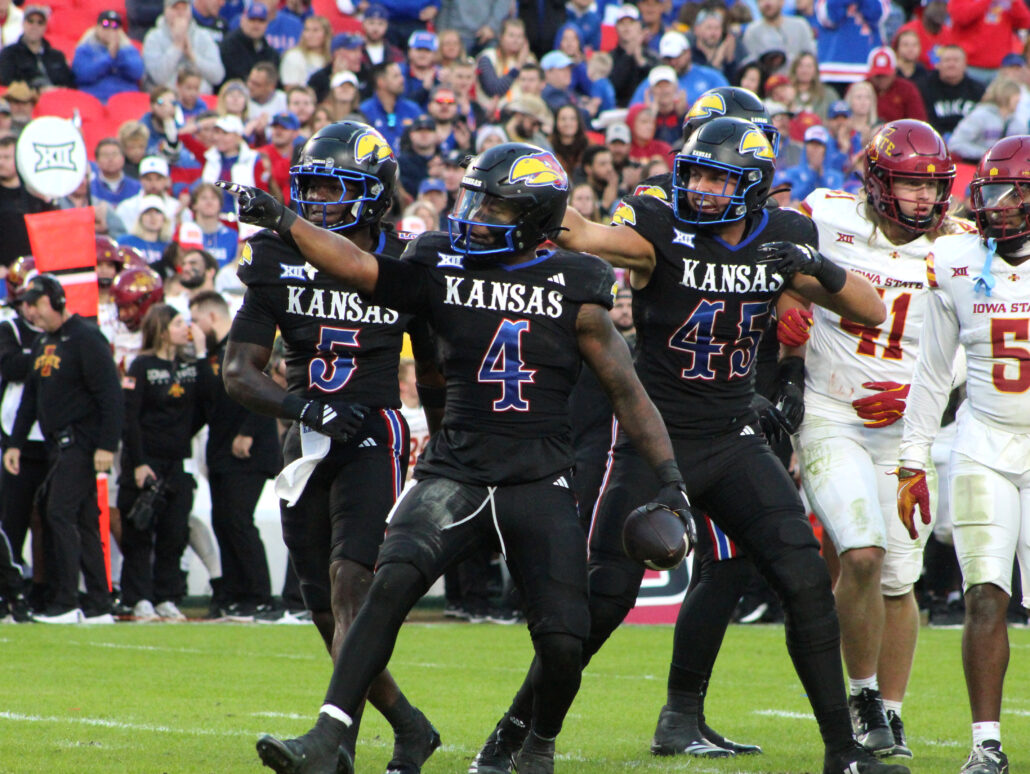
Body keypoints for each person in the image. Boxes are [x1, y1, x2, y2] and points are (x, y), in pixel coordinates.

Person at [218, 138, 691, 774]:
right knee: (380, 589)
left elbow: (628, 393)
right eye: (475, 198)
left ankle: (537, 744)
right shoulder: (440, 259)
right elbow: (360, 271)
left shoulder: (576, 282)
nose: (474, 213)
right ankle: (330, 736)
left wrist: (670, 480)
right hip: (458, 469)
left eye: (493, 205)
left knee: (561, 638)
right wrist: (283, 219)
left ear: (532, 215)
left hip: (539, 475)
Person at [468, 116, 904, 774]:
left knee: (806, 579)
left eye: (717, 177)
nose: (699, 187)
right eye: (695, 172)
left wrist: (816, 265)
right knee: (605, 597)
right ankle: (516, 735)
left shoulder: (783, 238)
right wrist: (532, 191)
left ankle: (843, 752)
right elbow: (583, 235)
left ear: (753, 185)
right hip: (653, 438)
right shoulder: (657, 229)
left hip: (732, 437)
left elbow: (870, 310)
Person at [221, 121, 442, 772]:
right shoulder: (276, 256)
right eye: (308, 187)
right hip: (305, 436)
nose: (316, 200)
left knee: (351, 589)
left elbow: (432, 372)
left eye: (331, 187)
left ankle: (331, 743)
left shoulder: (408, 261)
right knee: (321, 606)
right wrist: (303, 405)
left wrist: (449, 446)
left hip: (374, 430)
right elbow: (238, 370)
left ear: (373, 194)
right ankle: (409, 726)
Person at [796, 119, 967, 760]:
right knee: (861, 555)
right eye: (908, 183)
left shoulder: (959, 248)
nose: (923, 199)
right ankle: (862, 694)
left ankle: (888, 714)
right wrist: (789, 304)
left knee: (899, 578)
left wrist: (926, 392)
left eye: (932, 186)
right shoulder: (825, 216)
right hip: (832, 413)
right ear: (875, 177)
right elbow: (767, 257)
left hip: (909, 430)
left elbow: (966, 341)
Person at [896, 134, 1030, 774]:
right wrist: (913, 458)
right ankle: (986, 744)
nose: (999, 205)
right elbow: (930, 370)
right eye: (992, 191)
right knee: (985, 593)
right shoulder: (955, 258)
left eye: (1015, 193)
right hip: (982, 442)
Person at [4, 275, 124, 624]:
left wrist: (107, 445)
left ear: (56, 302)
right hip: (59, 445)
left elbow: (111, 395)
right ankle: (100, 604)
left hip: (82, 443)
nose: (31, 311)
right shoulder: (44, 341)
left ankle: (67, 600)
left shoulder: (86, 338)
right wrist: (15, 441)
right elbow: (31, 396)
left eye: (36, 303)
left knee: (57, 511)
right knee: (85, 521)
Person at [118, 303, 213, 621]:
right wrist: (138, 463)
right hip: (145, 462)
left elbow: (208, 402)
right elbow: (129, 419)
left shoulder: (189, 366)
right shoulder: (141, 365)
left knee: (174, 533)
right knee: (139, 532)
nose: (184, 328)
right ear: (160, 329)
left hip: (179, 462)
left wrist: (201, 356)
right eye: (177, 323)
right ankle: (138, 598)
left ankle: (167, 597)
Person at [189, 290, 280, 618]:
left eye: (196, 319)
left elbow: (262, 386)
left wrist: (247, 431)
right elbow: (204, 400)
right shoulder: (212, 354)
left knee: (239, 521)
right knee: (224, 521)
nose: (193, 327)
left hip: (248, 450)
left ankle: (261, 596)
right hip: (222, 450)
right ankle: (237, 594)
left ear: (212, 316)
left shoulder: (243, 344)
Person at [72, 10, 145, 101]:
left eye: (115, 27)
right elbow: (83, 75)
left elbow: (137, 73)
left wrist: (119, 55)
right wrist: (109, 58)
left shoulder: (128, 49)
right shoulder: (85, 48)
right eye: (105, 25)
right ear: (97, 28)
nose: (110, 30)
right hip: (95, 98)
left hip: (126, 99)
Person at [0, 4, 73, 88]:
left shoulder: (57, 56)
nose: (35, 26)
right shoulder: (9, 53)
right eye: (30, 21)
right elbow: (7, 81)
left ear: (45, 27)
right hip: (26, 98)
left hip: (57, 97)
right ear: (23, 24)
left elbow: (70, 86)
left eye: (40, 23)